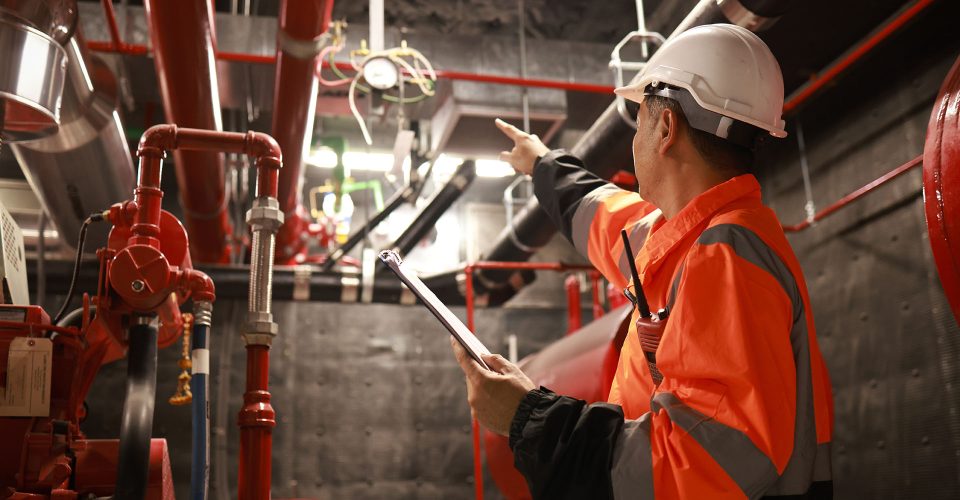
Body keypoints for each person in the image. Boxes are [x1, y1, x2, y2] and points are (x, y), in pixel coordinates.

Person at [450, 24, 834, 499]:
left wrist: (529, 418)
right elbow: (601, 216)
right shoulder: (686, 234)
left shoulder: (726, 256)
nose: (635, 138)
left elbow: (700, 468)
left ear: (666, 128)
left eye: (640, 118)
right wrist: (542, 164)